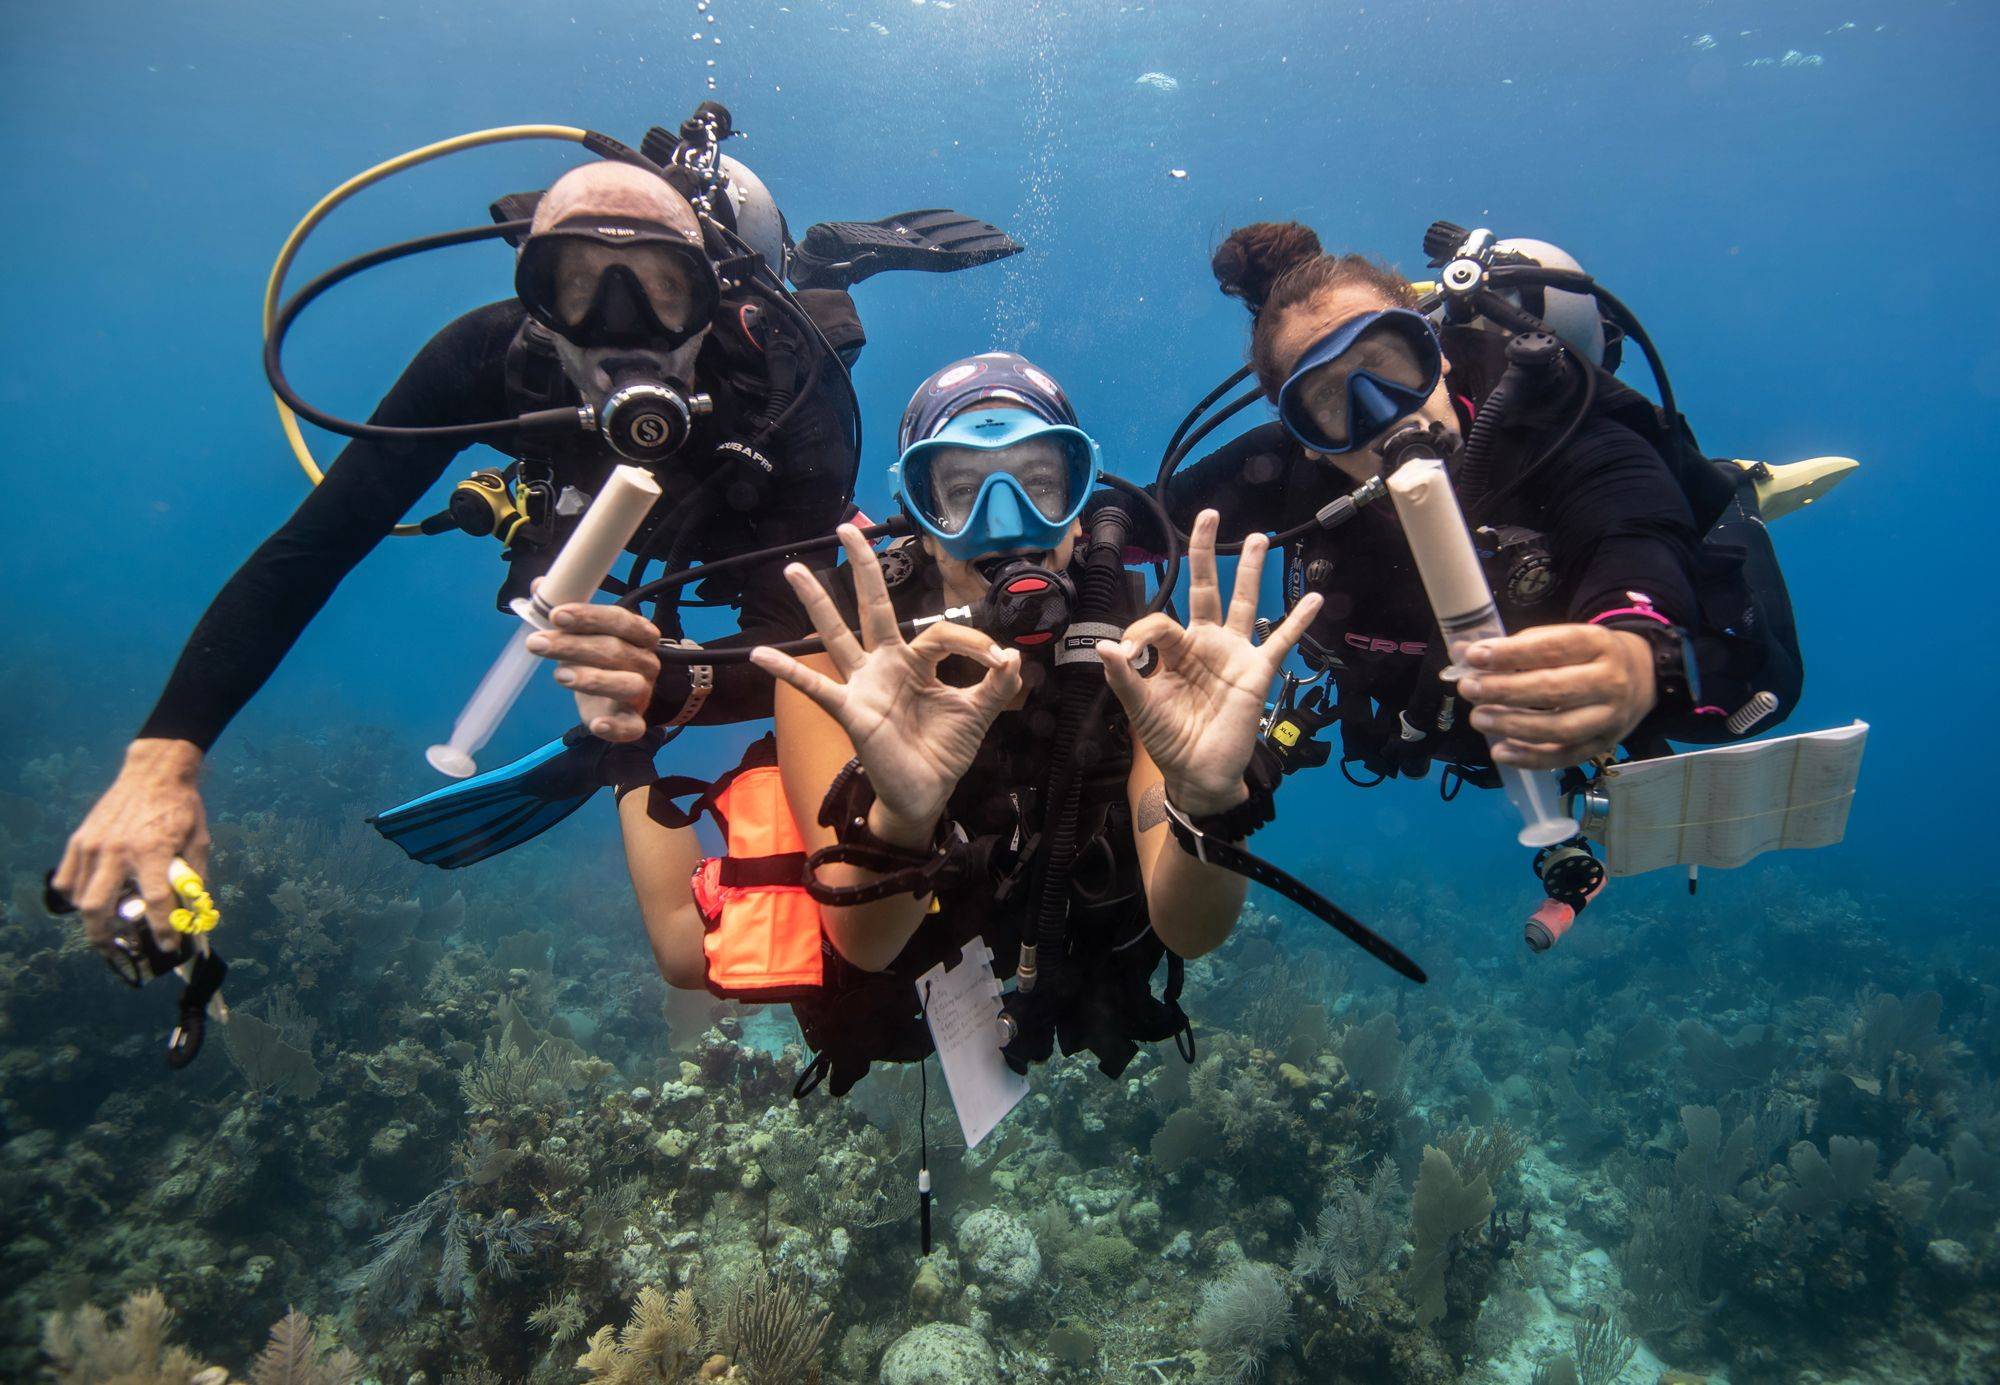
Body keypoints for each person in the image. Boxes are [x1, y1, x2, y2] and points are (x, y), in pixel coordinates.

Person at [55, 122, 1018, 955]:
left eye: (663, 291)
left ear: (710, 294)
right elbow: (317, 543)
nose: (621, 326)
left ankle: (815, 262)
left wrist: (665, 683)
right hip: (574, 484)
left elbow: (798, 646)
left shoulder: (790, 390)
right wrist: (163, 756)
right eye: (578, 288)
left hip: (753, 468)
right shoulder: (488, 359)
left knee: (819, 334)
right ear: (535, 304)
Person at [638, 354, 1324, 1092]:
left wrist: (1206, 797)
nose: (1005, 522)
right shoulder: (845, 645)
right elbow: (863, 946)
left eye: (1038, 484)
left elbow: (1189, 928)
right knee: (688, 954)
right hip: (908, 946)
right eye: (960, 491)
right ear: (919, 520)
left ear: (1081, 498)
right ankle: (620, 758)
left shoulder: (1134, 644)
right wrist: (900, 814)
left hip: (1073, 944)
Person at [1167, 221, 1798, 791]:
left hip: (1582, 661)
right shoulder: (1283, 471)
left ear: (1438, 352)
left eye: (1389, 363)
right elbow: (1140, 516)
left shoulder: (1546, 416)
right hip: (1440, 729)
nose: (1381, 413)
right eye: (1330, 401)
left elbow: (1627, 522)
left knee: (1729, 701)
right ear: (1304, 440)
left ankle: (1727, 495)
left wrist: (1633, 650)